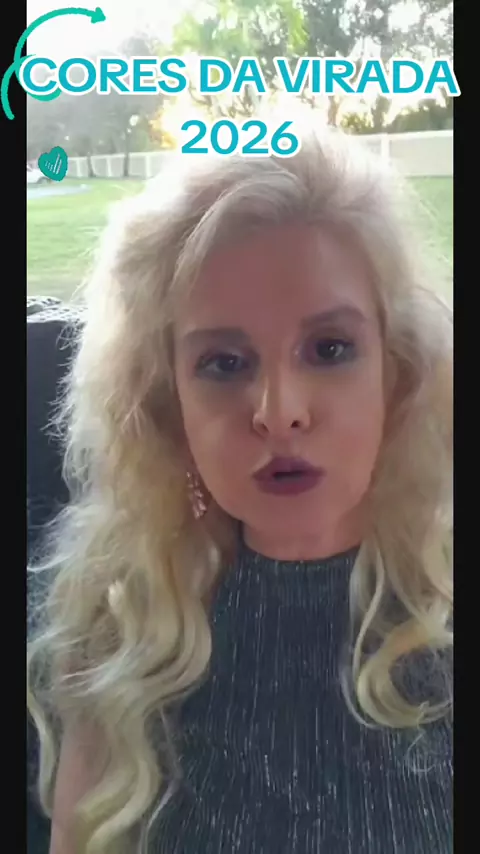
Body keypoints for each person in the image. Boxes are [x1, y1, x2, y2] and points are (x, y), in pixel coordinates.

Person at [27, 126, 453, 854]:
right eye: (224, 363)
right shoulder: (119, 618)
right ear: (168, 404)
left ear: (397, 372)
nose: (279, 411)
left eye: (329, 348)